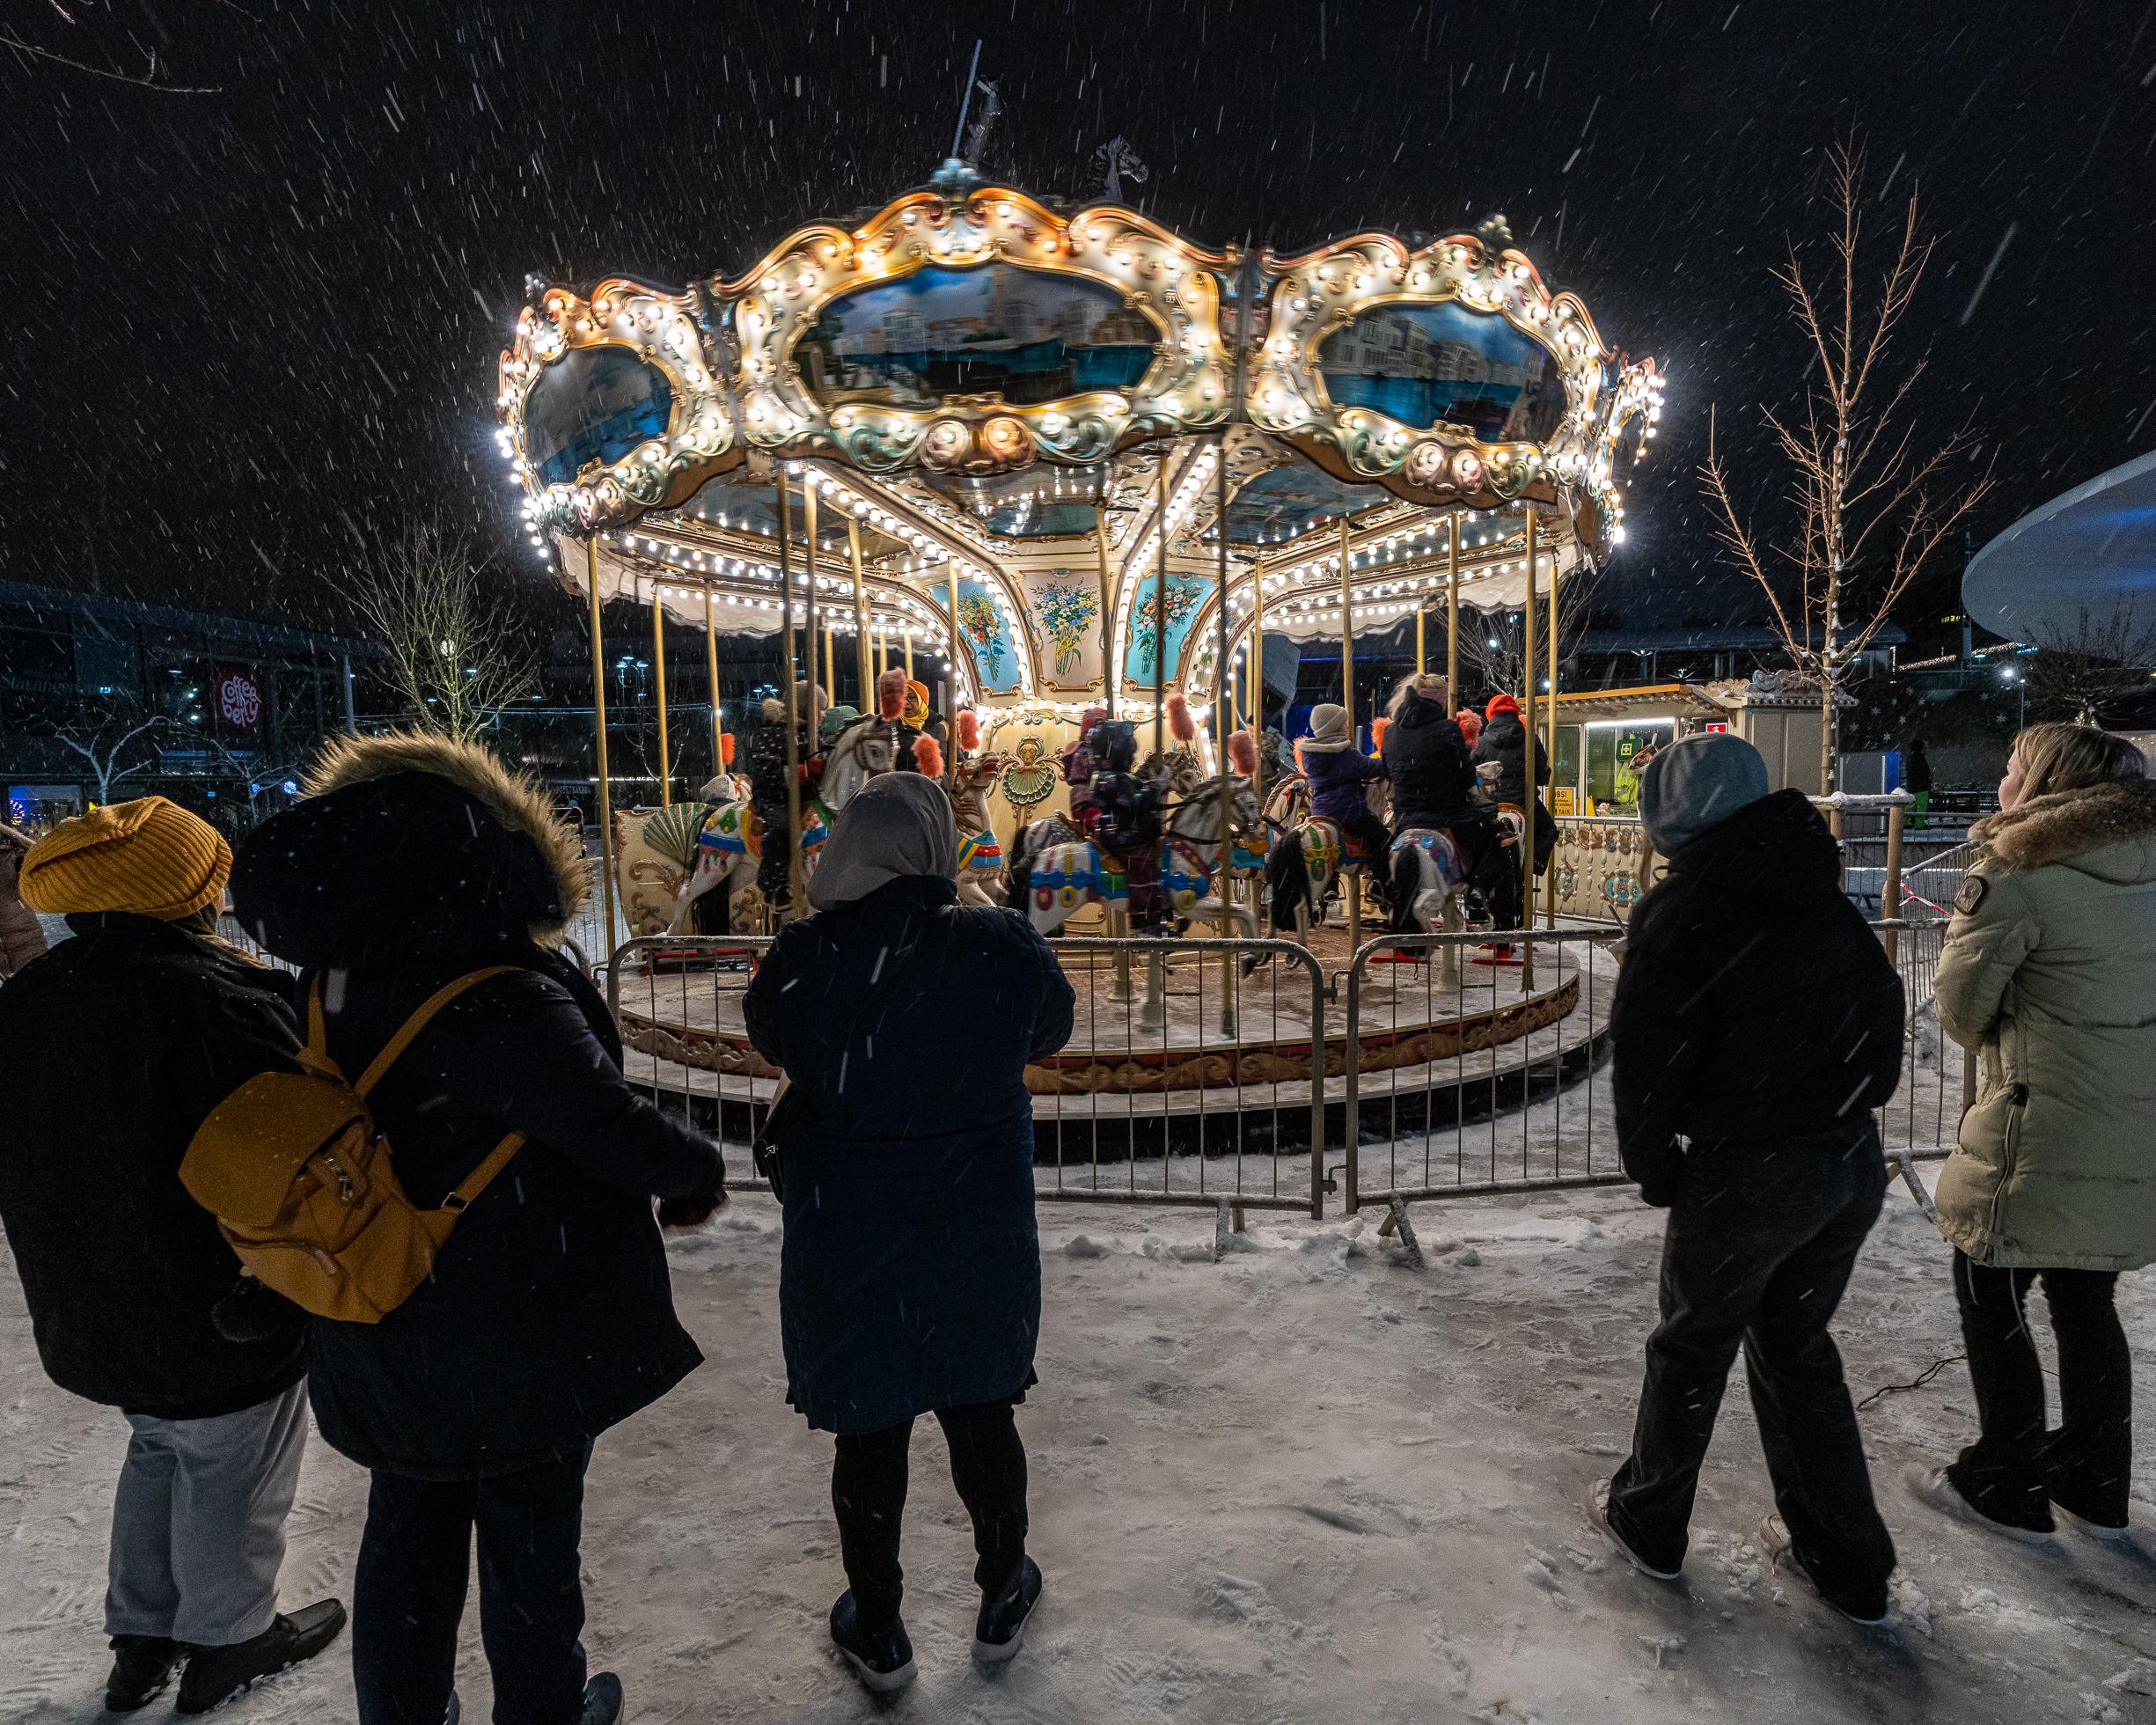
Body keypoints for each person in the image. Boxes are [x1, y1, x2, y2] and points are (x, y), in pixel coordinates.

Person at [228, 731, 727, 1725]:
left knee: (407, 1533)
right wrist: (697, 1167)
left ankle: (403, 1712)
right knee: (529, 1543)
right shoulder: (497, 996)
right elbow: (604, 1124)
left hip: (381, 1302)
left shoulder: (330, 983)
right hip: (512, 1319)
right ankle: (541, 1710)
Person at [0, 796, 344, 1714]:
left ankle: (141, 1634)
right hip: (218, 1302)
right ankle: (230, 1636)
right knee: (234, 1459)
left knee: (158, 1444)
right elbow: (303, 1149)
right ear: (192, 892)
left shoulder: (27, 1002)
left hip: (88, 1306)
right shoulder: (221, 1000)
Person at [742, 773, 1074, 1692]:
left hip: (852, 1238)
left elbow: (770, 1032)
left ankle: (879, 1626)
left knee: (870, 1431)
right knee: (981, 1413)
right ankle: (1002, 1591)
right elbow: (1052, 1025)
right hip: (974, 1227)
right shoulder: (997, 943)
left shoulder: (806, 954)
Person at [1589, 734, 1906, 1626]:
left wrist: (1659, 1167)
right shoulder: (1821, 894)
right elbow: (1879, 1020)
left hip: (1748, 1167)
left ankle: (1648, 1516)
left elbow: (1646, 1066)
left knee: (1691, 1343)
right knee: (1795, 1346)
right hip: (1841, 1155)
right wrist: (1838, 1108)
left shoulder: (1681, 912)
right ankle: (1847, 1558)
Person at [1911, 723, 2156, 1543]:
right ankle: (2094, 1474)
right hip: (2131, 1120)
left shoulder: (2021, 870)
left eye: (2013, 766)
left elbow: (1961, 1007)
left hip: (2041, 1117)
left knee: (1990, 1282)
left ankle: (2005, 1475)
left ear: (2046, 781)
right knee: (2086, 1295)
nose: (2003, 780)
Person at [1381, 674, 1492, 933]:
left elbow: (1388, 771)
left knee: (1380, 847)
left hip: (1406, 820)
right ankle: (1476, 895)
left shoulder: (1391, 731)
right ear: (1440, 700)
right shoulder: (1446, 729)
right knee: (1496, 842)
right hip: (1450, 817)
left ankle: (1384, 887)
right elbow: (1465, 776)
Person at [1298, 701, 1391, 892]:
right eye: (1345, 723)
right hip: (1348, 811)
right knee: (1383, 839)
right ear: (1334, 727)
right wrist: (1391, 758)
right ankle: (1382, 883)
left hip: (1320, 811)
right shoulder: (1345, 755)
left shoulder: (1311, 756)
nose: (1348, 726)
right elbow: (1373, 768)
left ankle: (1330, 882)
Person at [0, 817, 48, 980]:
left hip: (21, 931)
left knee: (34, 985)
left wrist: (14, 838)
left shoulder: (8, 852)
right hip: (20, 925)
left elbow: (41, 860)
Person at [1903, 734, 1934, 825]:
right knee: (1921, 807)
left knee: (1910, 806)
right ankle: (1919, 824)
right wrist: (1925, 783)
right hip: (1921, 788)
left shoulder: (1910, 758)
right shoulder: (1920, 759)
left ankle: (1905, 823)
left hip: (1911, 786)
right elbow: (1924, 773)